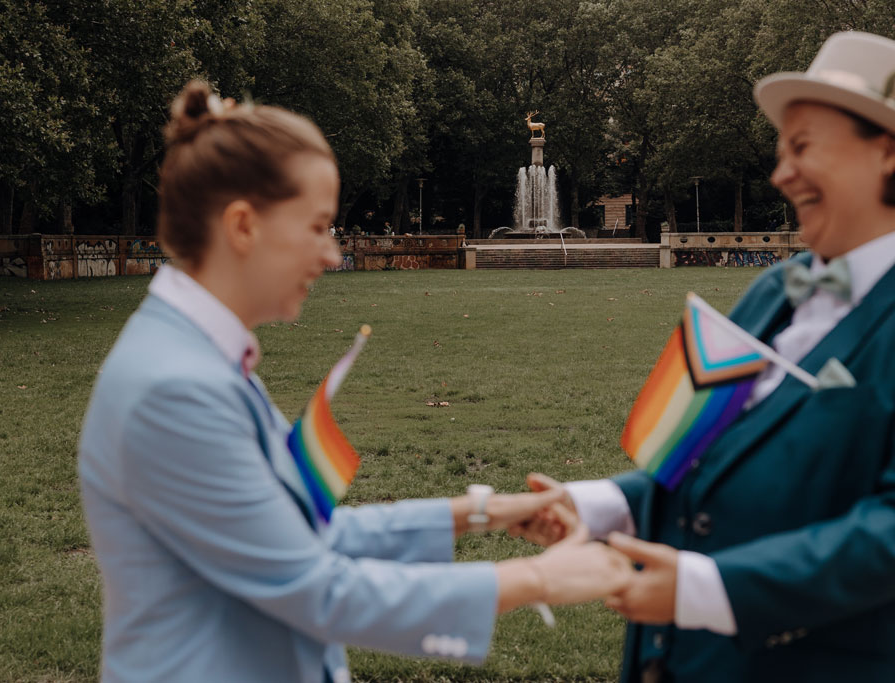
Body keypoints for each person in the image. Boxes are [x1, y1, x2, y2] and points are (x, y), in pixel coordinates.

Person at [77, 81, 632, 683]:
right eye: (317, 227)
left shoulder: (193, 357)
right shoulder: (173, 387)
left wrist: (481, 512)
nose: (333, 255)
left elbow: (308, 536)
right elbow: (315, 588)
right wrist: (538, 580)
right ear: (243, 226)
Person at [522, 30, 895, 683]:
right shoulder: (771, 289)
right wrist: (599, 503)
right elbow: (700, 458)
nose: (781, 173)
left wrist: (708, 586)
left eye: (803, 147)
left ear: (886, 152)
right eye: (781, 151)